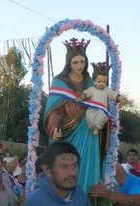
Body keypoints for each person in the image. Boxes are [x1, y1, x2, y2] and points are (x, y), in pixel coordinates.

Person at [44, 38, 102, 194]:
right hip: (68, 130)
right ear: (68, 63)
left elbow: (100, 102)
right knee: (67, 163)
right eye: (75, 62)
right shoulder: (59, 82)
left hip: (88, 129)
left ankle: (88, 200)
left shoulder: (91, 82)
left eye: (82, 62)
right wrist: (54, 125)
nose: (79, 66)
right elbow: (52, 110)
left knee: (87, 163)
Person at [80, 62, 120, 135]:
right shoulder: (92, 89)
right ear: (94, 81)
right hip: (92, 109)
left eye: (104, 82)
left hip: (102, 110)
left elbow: (114, 95)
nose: (102, 83)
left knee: (102, 115)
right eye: (99, 81)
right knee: (88, 113)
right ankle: (92, 127)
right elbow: (87, 93)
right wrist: (82, 96)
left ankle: (97, 127)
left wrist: (119, 98)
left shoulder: (107, 90)